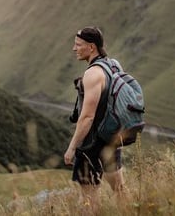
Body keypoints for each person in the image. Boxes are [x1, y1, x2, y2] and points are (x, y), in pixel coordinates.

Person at [64, 26, 125, 211]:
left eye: (78, 45)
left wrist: (72, 147)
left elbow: (87, 117)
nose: (74, 49)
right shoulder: (113, 65)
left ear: (91, 47)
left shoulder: (92, 74)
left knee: (89, 199)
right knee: (120, 190)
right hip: (112, 136)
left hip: (91, 143)